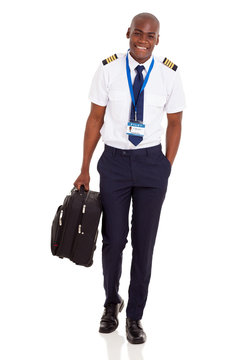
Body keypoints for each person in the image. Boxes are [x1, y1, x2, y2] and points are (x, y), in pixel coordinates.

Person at [74, 12, 185, 344]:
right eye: (138, 33)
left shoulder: (169, 75)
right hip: (115, 163)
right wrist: (84, 167)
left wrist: (166, 165)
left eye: (150, 36)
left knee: (144, 244)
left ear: (157, 40)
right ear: (128, 33)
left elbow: (176, 123)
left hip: (152, 163)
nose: (143, 40)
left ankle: (135, 316)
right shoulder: (108, 69)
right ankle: (111, 304)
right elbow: (95, 119)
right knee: (113, 239)